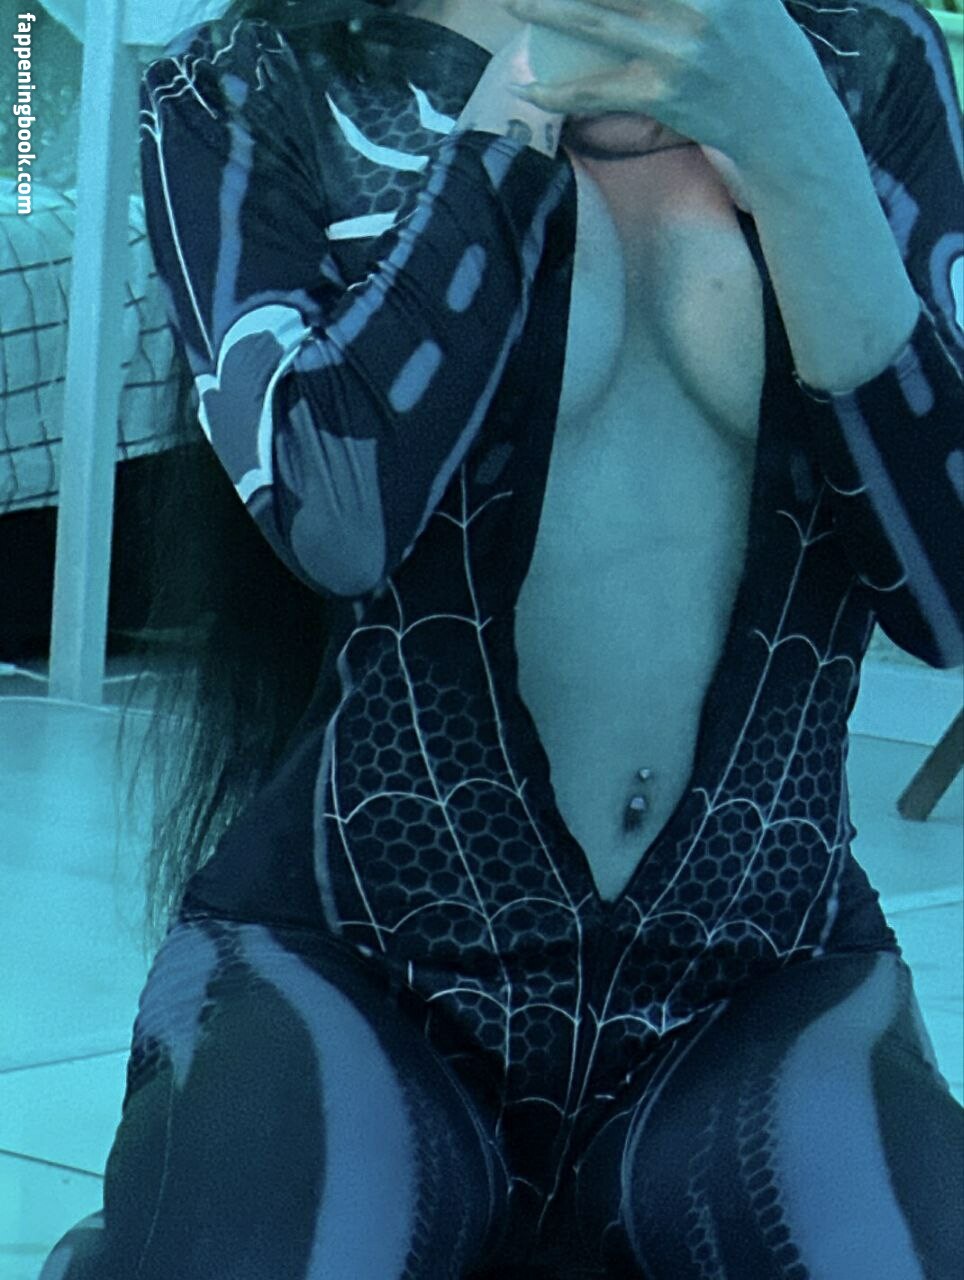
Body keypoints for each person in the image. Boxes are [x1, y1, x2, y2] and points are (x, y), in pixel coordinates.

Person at [42, 0, 963, 1276]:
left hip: (763, 971)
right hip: (355, 961)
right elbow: (333, 514)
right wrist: (515, 105)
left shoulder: (862, 56)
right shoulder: (250, 83)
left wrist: (799, 141)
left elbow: (946, 597)